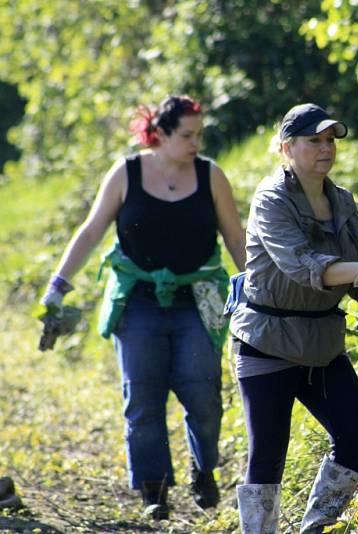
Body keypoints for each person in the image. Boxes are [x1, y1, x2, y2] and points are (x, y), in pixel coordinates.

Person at [39, 95, 246, 519]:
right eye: (187, 135)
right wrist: (58, 286)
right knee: (143, 397)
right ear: (162, 133)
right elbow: (92, 228)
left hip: (197, 299)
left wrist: (260, 290)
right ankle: (154, 489)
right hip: (137, 302)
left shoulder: (211, 175)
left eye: (200, 135)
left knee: (204, 393)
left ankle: (204, 468)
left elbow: (235, 237)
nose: (195, 143)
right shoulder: (127, 173)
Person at [228, 103, 358, 533]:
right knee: (267, 454)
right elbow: (304, 265)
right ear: (287, 147)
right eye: (313, 141)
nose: (325, 149)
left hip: (321, 343)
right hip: (267, 338)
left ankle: (316, 527)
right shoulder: (271, 199)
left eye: (330, 141)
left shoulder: (342, 200)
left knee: (355, 436)